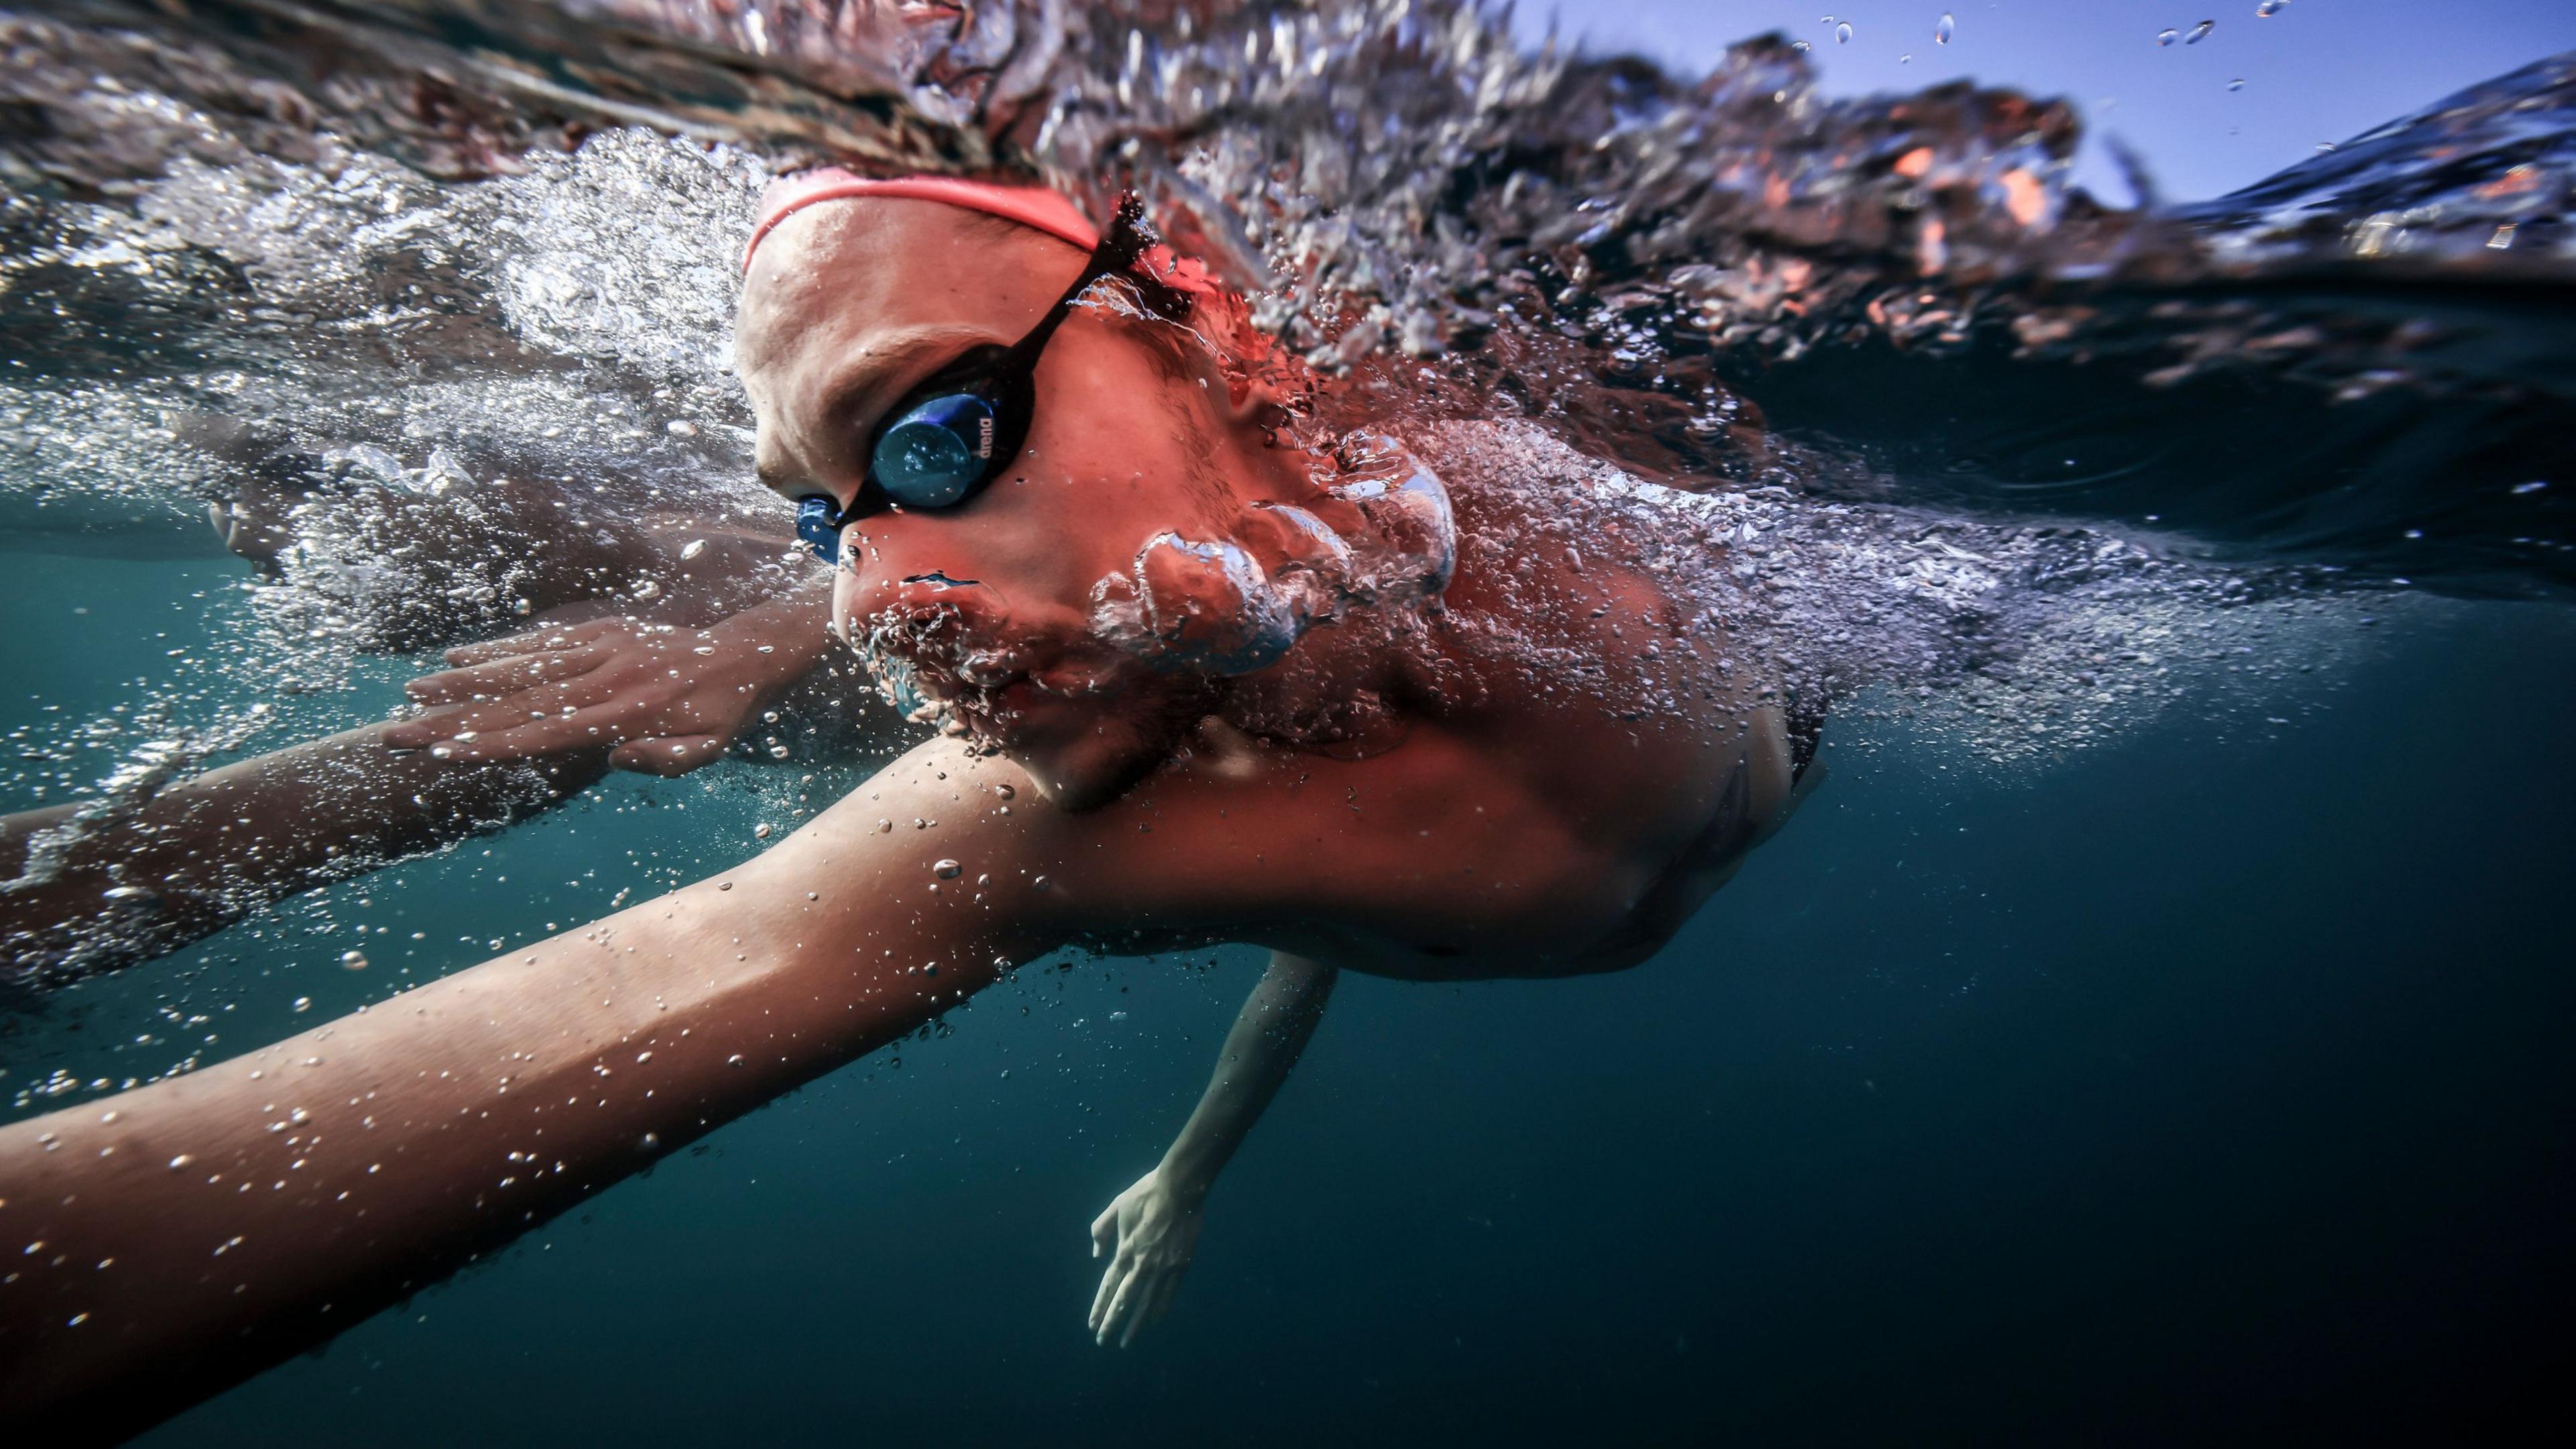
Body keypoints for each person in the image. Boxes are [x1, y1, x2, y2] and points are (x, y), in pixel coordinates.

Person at [0, 172, 1805, 1438]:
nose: (871, 597)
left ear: (1248, 360)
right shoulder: (1058, 814)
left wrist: (1187, 1164)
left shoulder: (1618, 548)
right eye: (823, 518)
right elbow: (670, 969)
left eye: (936, 434)